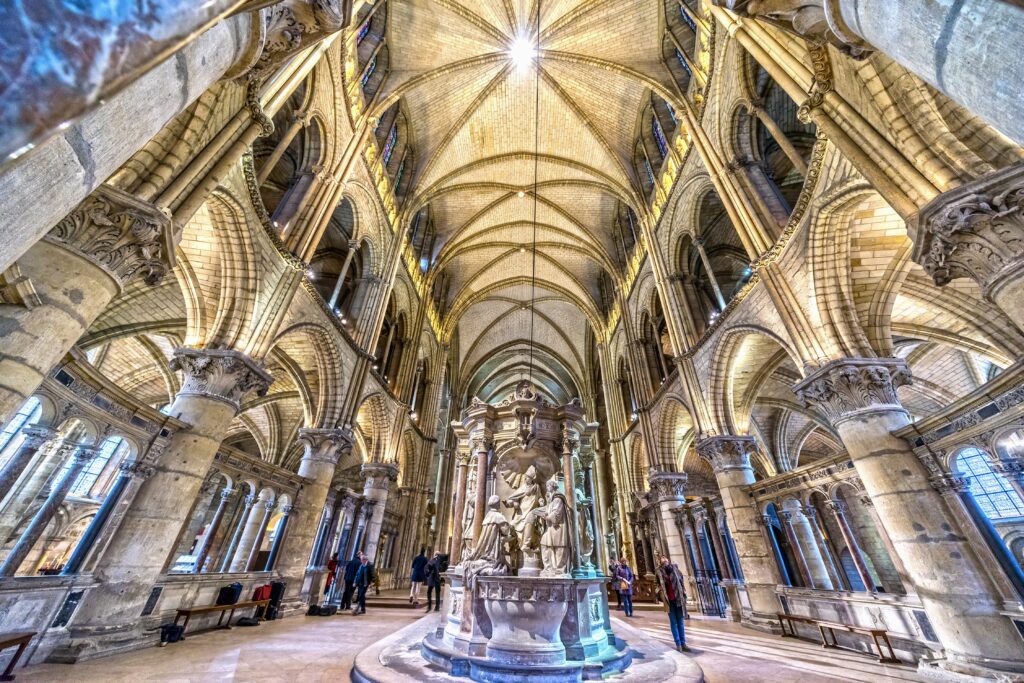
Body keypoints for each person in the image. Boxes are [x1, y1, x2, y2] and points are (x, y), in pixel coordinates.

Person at [656, 554, 689, 652]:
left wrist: (684, 594)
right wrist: (660, 593)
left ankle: (683, 643)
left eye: (665, 558)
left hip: (678, 599)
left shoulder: (676, 569)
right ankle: (678, 644)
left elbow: (682, 583)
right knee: (674, 623)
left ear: (668, 560)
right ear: (660, 562)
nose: (664, 560)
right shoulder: (659, 572)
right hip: (669, 600)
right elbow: (656, 585)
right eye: (662, 559)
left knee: (680, 622)